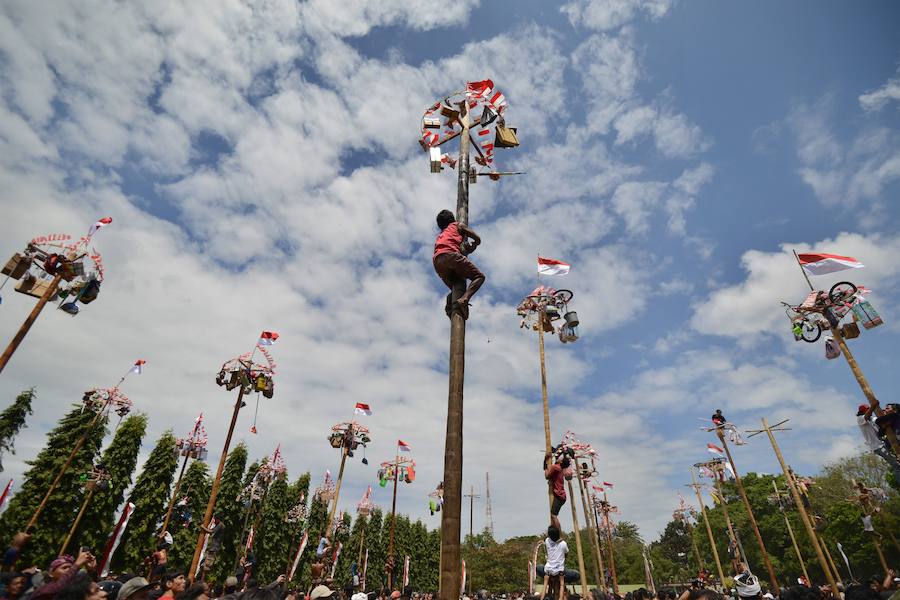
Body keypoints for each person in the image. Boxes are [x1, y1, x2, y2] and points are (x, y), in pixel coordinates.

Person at [432, 210, 485, 320]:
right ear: (452, 219)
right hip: (450, 255)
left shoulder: (441, 235)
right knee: (479, 277)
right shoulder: (457, 225)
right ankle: (464, 299)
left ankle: (450, 305)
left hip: (437, 261)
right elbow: (477, 238)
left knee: (455, 287)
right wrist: (474, 244)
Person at [544, 452, 570, 531]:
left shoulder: (556, 467)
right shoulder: (559, 468)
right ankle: (557, 532)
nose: (559, 457)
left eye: (560, 458)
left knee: (553, 515)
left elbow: (547, 476)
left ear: (561, 462)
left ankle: (558, 533)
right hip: (561, 496)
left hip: (559, 496)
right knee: (554, 515)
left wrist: (545, 461)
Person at [544, 526, 568, 600]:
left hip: (548, 569)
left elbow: (550, 539)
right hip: (559, 570)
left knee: (545, 586)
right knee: (562, 584)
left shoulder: (547, 541)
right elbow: (566, 553)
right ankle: (560, 598)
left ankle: (542, 598)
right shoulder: (563, 544)